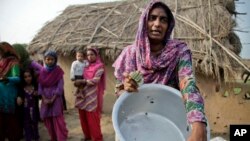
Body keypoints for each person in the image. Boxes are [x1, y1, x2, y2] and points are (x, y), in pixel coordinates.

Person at [112, 1, 207, 141]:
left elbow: (188, 85)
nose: (157, 24)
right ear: (144, 22)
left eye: (163, 20)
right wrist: (125, 87)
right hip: (134, 121)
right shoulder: (130, 53)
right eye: (152, 18)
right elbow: (119, 92)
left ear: (169, 26)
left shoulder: (179, 51)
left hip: (167, 120)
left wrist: (199, 124)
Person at [74, 48, 105, 141]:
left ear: (96, 55)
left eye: (92, 54)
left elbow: (95, 80)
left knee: (92, 118)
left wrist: (83, 81)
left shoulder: (100, 66)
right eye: (88, 55)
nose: (89, 57)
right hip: (83, 94)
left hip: (92, 96)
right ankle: (87, 136)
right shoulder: (85, 66)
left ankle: (97, 138)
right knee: (83, 116)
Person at [38, 50, 68, 141]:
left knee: (58, 119)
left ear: (55, 60)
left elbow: (60, 85)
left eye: (52, 59)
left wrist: (53, 98)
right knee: (48, 119)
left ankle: (61, 138)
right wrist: (44, 98)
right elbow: (40, 86)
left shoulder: (58, 71)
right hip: (45, 98)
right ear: (44, 60)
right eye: (47, 59)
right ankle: (53, 137)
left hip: (56, 98)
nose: (49, 61)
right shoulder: (42, 71)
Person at [0, 42, 22, 141]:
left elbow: (17, 78)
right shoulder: (1, 61)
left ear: (6, 50)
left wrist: (7, 79)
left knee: (11, 123)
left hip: (9, 94)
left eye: (1, 51)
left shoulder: (13, 62)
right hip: (0, 94)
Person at [20, 68, 40, 141]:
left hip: (34, 110)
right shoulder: (22, 88)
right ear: (23, 78)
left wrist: (38, 94)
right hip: (25, 111)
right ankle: (28, 137)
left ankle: (36, 136)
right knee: (26, 125)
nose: (28, 78)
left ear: (32, 76)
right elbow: (19, 97)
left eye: (29, 76)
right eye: (25, 77)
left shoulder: (35, 87)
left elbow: (40, 96)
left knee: (35, 124)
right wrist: (19, 98)